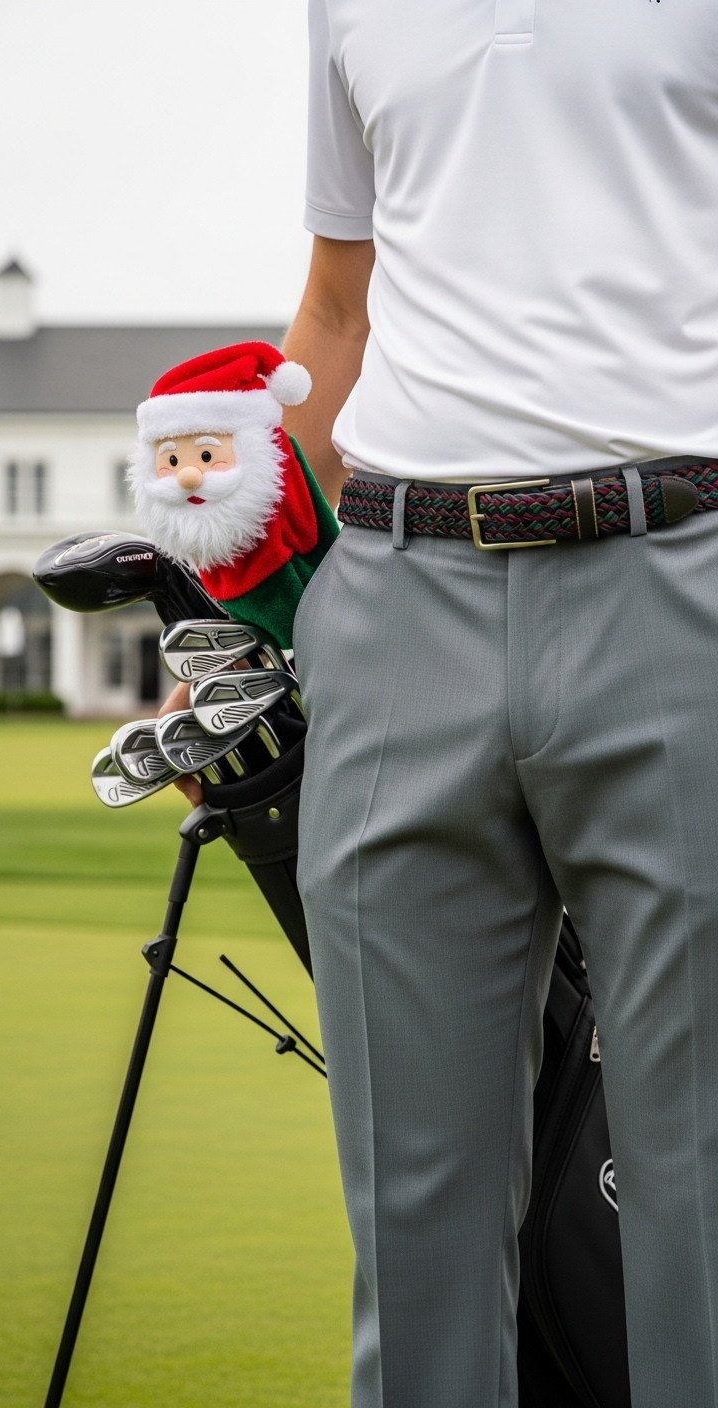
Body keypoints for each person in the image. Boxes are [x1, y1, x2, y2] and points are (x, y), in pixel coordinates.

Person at [271, 4, 718, 1408]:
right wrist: (275, 602)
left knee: (700, 1191)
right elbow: (336, 308)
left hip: (677, 574)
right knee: (415, 1230)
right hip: (400, 600)